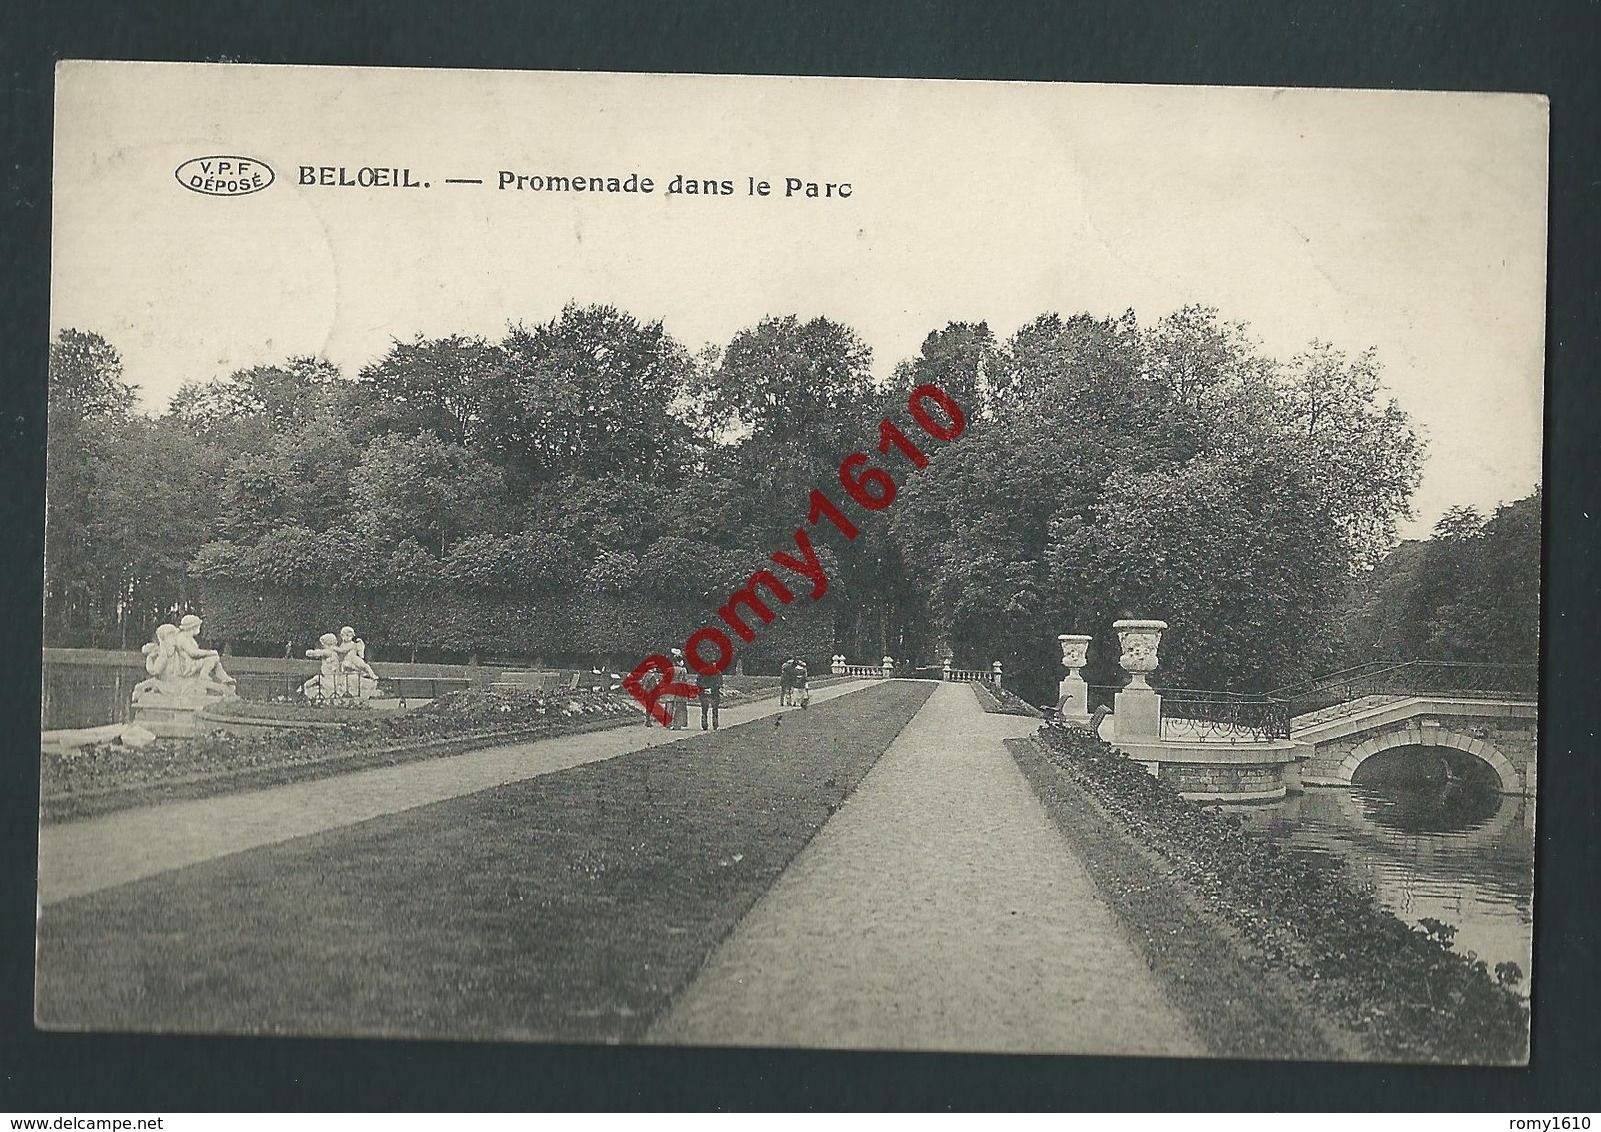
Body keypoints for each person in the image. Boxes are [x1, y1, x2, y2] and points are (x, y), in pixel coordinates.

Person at [669, 648, 691, 730]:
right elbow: (684, 681)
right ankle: (678, 724)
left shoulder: (670, 669)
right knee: (680, 707)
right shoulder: (682, 670)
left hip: (672, 690)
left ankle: (671, 723)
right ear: (679, 662)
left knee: (672, 707)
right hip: (680, 690)